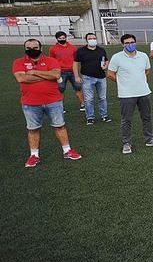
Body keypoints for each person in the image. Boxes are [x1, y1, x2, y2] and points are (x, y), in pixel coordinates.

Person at [13, 39, 82, 167]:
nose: (32, 49)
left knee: (60, 126)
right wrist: (46, 75)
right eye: (28, 47)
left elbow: (56, 74)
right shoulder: (18, 62)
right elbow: (21, 78)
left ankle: (67, 151)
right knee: (33, 129)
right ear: (25, 48)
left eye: (35, 47)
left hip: (53, 101)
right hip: (30, 103)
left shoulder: (51, 60)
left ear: (40, 48)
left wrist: (34, 72)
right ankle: (34, 155)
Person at [107, 34, 153, 154]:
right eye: (127, 43)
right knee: (126, 120)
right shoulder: (117, 57)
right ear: (123, 44)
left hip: (144, 92)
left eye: (132, 42)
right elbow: (110, 74)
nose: (130, 45)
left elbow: (147, 70)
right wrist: (123, 82)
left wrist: (138, 80)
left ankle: (150, 139)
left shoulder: (143, 56)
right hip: (126, 95)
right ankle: (126, 143)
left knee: (146, 117)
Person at [73, 32, 110, 125]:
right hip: (87, 77)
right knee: (89, 99)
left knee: (102, 97)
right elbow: (75, 63)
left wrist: (105, 66)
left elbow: (106, 60)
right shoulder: (81, 51)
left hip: (101, 77)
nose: (92, 40)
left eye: (94, 38)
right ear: (86, 40)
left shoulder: (101, 50)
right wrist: (76, 76)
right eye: (90, 38)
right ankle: (90, 117)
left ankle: (104, 115)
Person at [49, 31, 84, 111]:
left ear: (66, 38)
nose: (62, 39)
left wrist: (77, 73)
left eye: (63, 38)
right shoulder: (53, 49)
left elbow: (76, 60)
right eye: (60, 38)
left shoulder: (72, 48)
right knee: (60, 89)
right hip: (60, 72)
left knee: (78, 88)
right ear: (57, 39)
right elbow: (52, 61)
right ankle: (60, 106)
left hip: (72, 71)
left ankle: (83, 104)